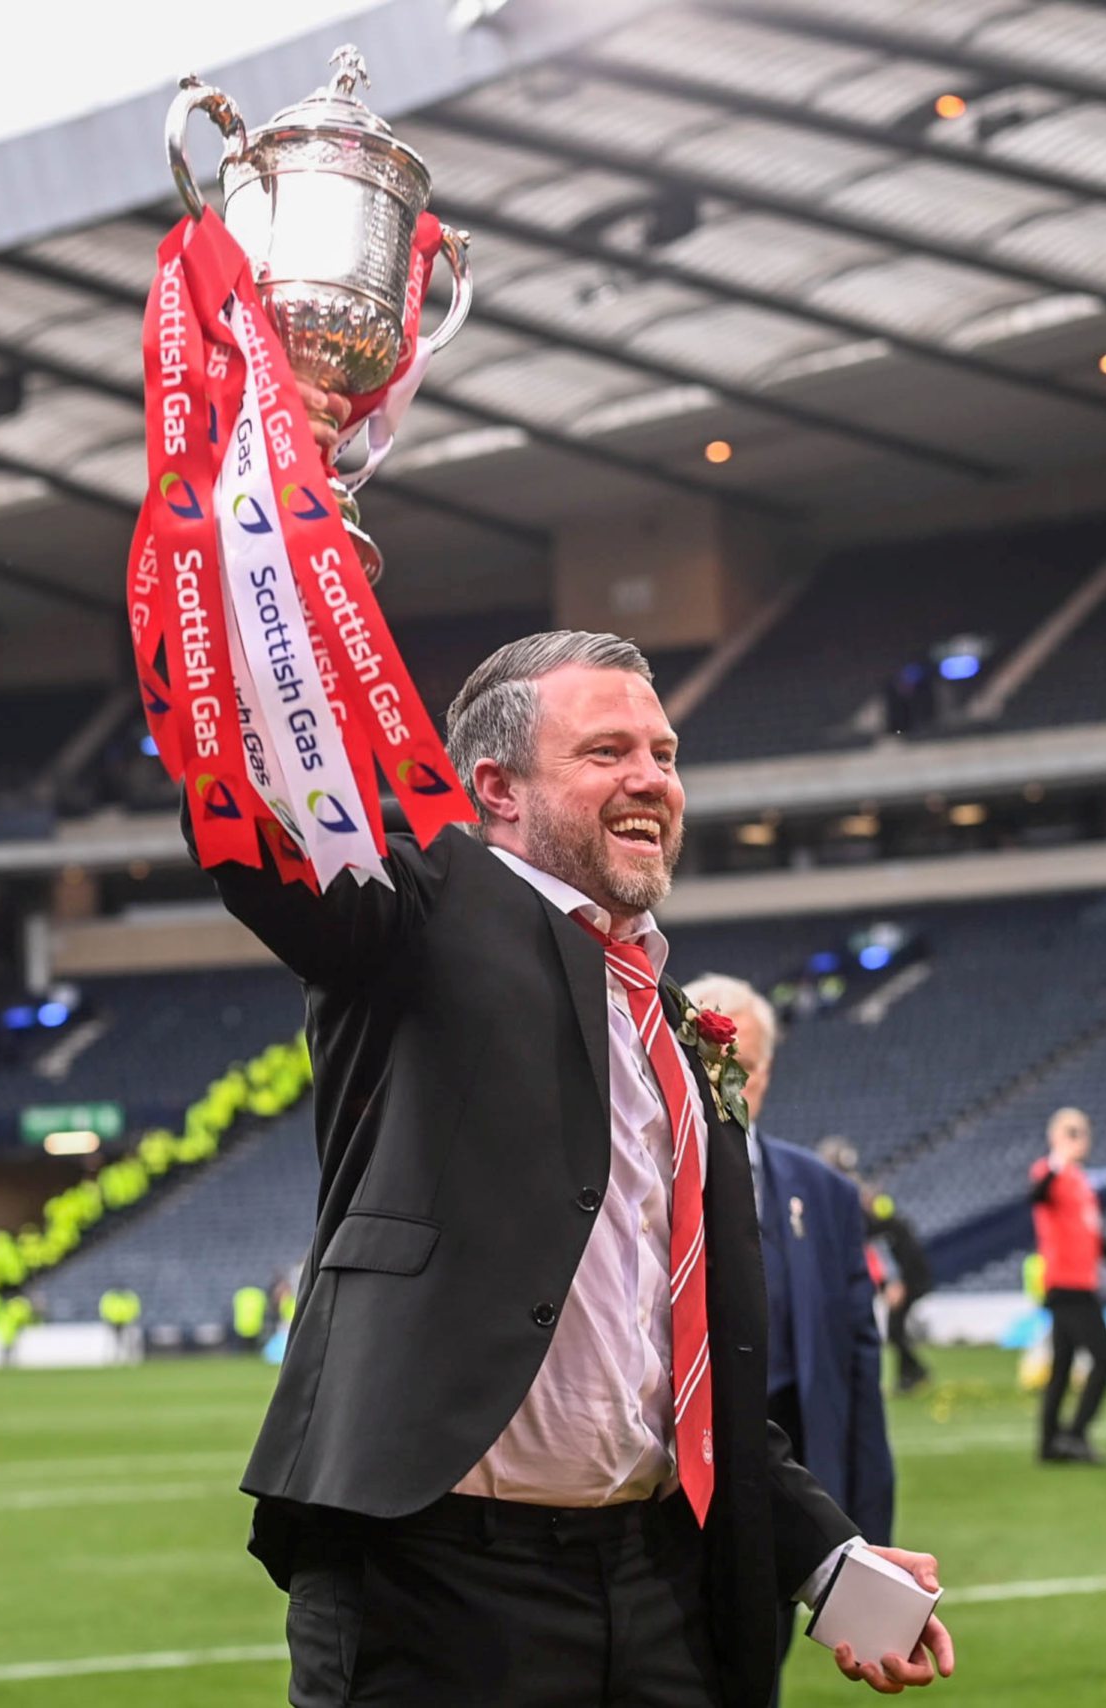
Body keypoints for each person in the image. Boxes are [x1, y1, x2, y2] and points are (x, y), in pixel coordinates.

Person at [191, 579, 953, 1706]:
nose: (652, 777)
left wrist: (828, 1557)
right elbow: (259, 818)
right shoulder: (411, 921)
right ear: (494, 787)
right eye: (606, 751)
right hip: (436, 1581)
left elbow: (695, 1367)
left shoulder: (679, 1024)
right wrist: (261, 551)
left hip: (664, 1587)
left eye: (664, 750)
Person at [683, 975, 895, 1706]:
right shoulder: (641, 1177)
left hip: (778, 1508)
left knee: (753, 1684)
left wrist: (869, 1553)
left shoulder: (825, 1194)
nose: (724, 1075)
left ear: (766, 1072)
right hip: (663, 1507)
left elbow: (858, 1374)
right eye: (706, 1054)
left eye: (739, 1059)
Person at [1029, 1109, 1106, 1467]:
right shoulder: (1049, 1173)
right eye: (1070, 1132)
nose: (1078, 1138)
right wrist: (1057, 1159)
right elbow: (1036, 1195)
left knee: (1063, 1366)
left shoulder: (1080, 1182)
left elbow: (1095, 1238)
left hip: (1082, 1282)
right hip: (1066, 1285)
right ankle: (1076, 1434)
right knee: (1105, 1357)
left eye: (1082, 1132)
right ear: (1055, 1137)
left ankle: (1050, 1443)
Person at [861, 1189, 934, 1394]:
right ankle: (912, 1373)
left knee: (895, 1329)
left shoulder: (892, 1228)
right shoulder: (883, 1228)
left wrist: (899, 1284)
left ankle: (913, 1373)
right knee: (896, 1330)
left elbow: (904, 1259)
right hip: (905, 1283)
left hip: (908, 1283)